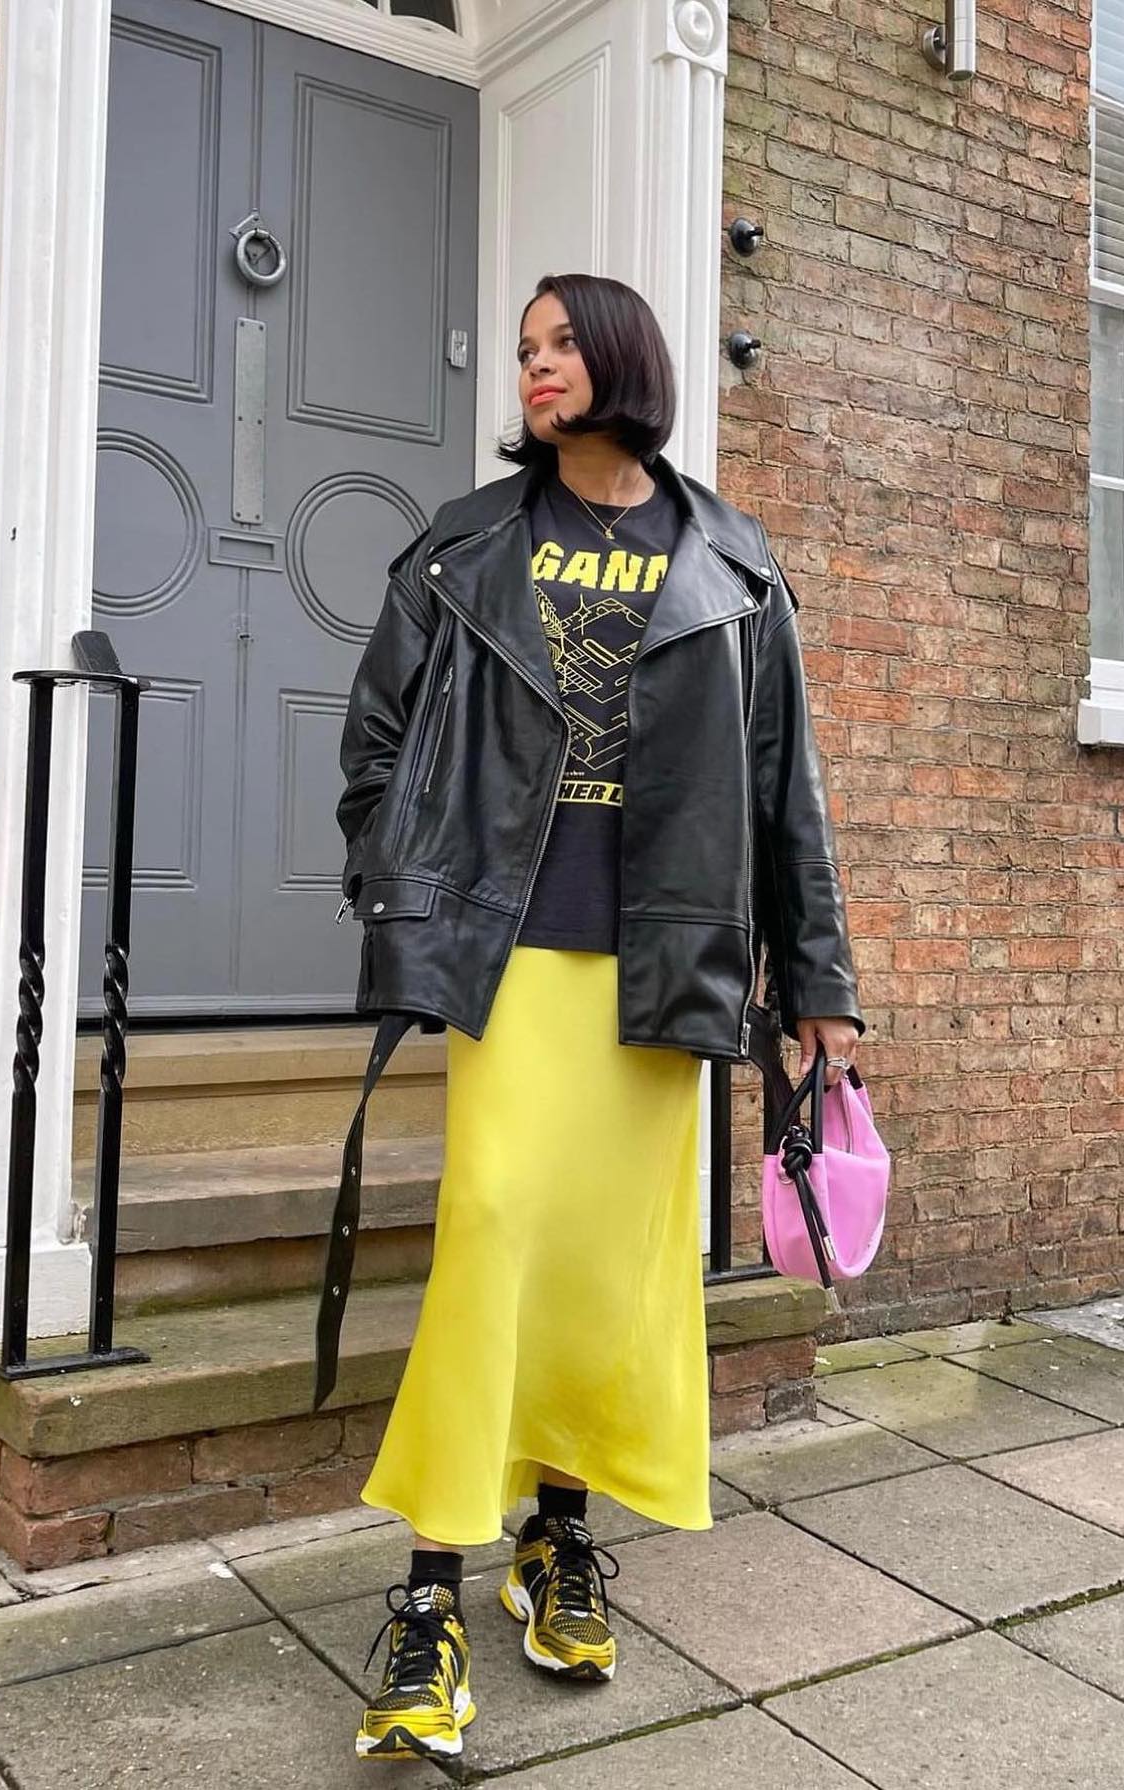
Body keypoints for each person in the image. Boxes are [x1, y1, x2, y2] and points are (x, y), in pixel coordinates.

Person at [332, 272, 864, 1763]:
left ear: (622, 353)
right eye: (521, 348)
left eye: (561, 342)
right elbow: (375, 741)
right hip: (511, 962)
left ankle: (557, 1537)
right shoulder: (468, 542)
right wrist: (405, 882)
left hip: (662, 967)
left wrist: (815, 983)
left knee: (605, 1268)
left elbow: (785, 796)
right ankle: (433, 1587)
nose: (536, 365)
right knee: (493, 1231)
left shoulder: (734, 566)